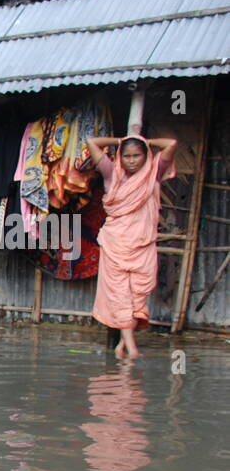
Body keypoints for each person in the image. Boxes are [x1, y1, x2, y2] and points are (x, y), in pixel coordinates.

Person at [85, 131, 178, 358]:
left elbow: (171, 143)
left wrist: (148, 142)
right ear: (120, 157)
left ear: (146, 156)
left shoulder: (152, 174)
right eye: (127, 156)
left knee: (139, 293)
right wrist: (120, 142)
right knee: (120, 294)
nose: (132, 160)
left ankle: (122, 346)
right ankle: (132, 348)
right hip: (116, 243)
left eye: (137, 155)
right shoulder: (111, 173)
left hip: (143, 244)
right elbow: (91, 143)